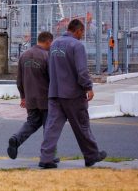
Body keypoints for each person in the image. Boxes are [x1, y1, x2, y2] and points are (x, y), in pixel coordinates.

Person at [39, 19, 106, 169]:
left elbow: (50, 68)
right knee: (82, 126)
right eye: (82, 32)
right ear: (77, 30)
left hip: (55, 93)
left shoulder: (54, 44)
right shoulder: (77, 46)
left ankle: (46, 158)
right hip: (73, 94)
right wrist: (88, 87)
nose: (82, 35)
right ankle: (91, 155)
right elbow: (82, 71)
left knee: (52, 127)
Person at [7, 31, 56, 161]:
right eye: (52, 43)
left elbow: (19, 80)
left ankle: (16, 139)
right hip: (45, 99)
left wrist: (23, 96)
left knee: (32, 123)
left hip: (30, 98)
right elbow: (52, 79)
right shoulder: (47, 56)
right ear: (48, 42)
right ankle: (48, 156)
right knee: (49, 127)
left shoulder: (24, 55)